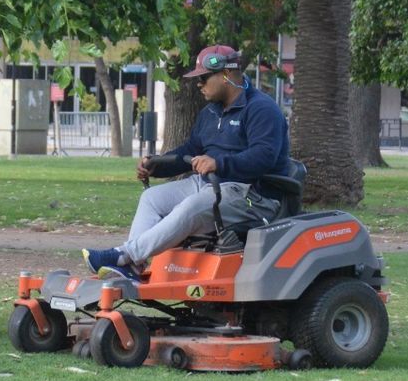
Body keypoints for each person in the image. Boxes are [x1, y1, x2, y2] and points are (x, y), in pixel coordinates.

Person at [83, 45, 291, 281]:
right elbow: (191, 151)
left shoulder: (262, 109)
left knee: (192, 206)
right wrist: (158, 165)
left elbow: (264, 157)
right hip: (209, 185)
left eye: (203, 78)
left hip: (252, 194)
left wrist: (218, 163)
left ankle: (124, 255)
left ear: (226, 74)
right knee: (151, 199)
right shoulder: (210, 112)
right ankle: (133, 267)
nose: (199, 85)